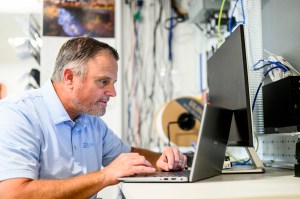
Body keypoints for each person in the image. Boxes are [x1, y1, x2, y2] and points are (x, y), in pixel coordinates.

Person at [0, 36, 187, 199]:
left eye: (113, 83)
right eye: (103, 82)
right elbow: (13, 194)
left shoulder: (90, 121)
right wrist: (104, 176)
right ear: (70, 78)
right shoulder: (17, 114)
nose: (112, 92)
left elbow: (126, 155)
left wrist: (163, 159)